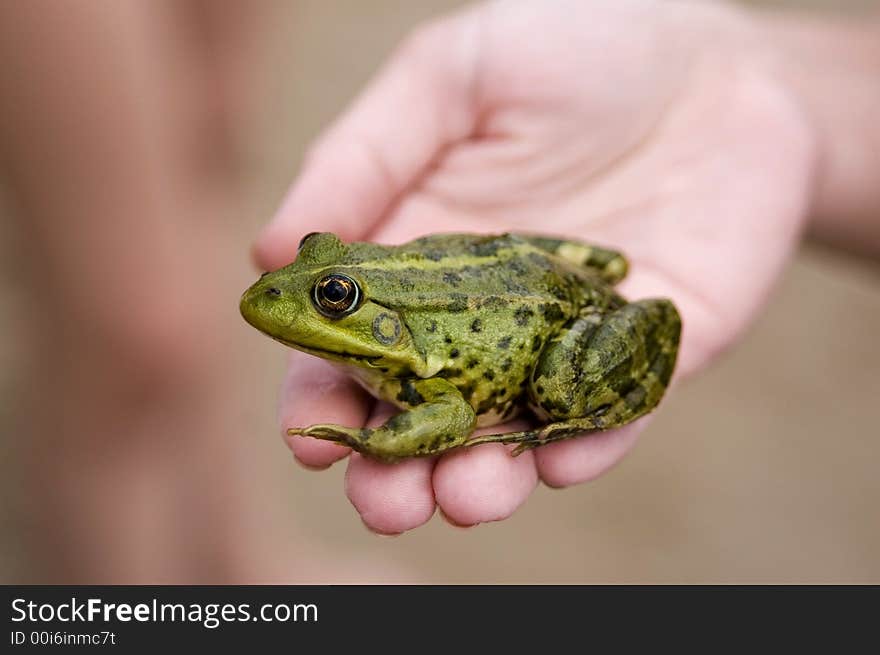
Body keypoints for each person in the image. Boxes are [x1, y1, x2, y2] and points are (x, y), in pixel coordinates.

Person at [253, 0, 880, 535]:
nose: (287, 292)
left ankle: (578, 412)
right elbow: (456, 410)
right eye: (326, 278)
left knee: (557, 390)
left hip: (559, 329)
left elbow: (450, 413)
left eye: (332, 294)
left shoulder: (421, 375)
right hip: (532, 270)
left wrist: (378, 441)